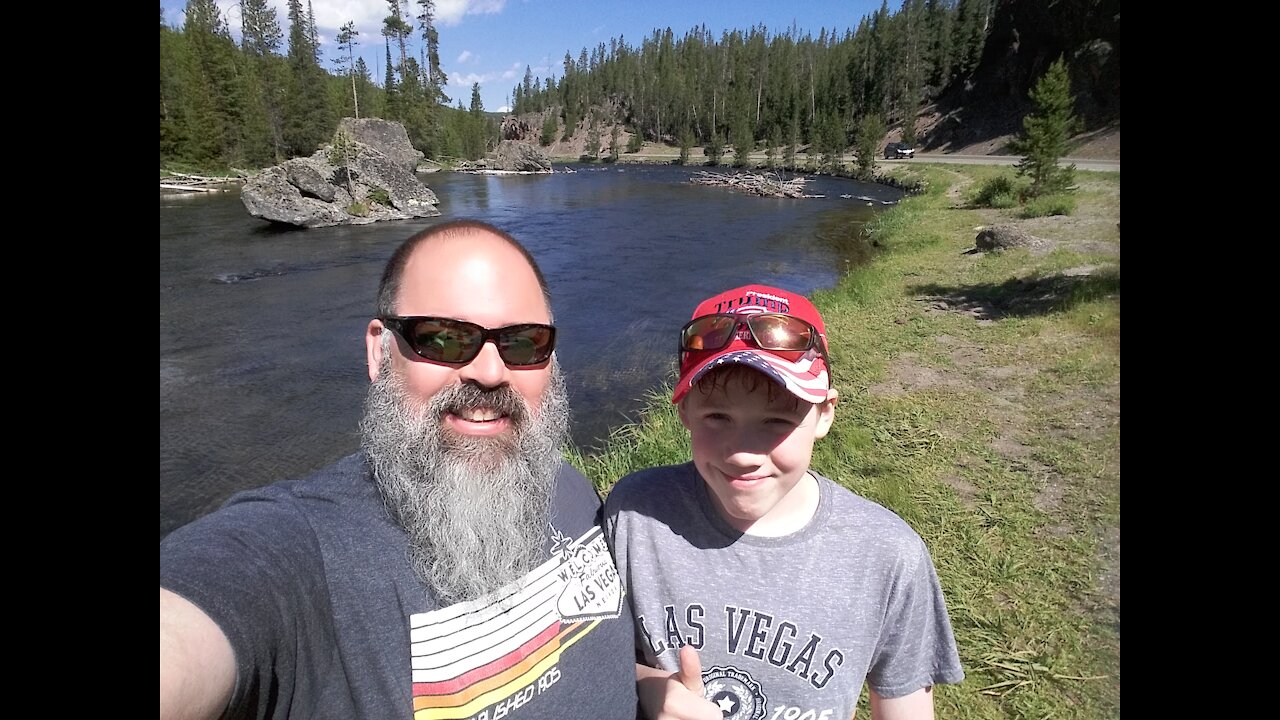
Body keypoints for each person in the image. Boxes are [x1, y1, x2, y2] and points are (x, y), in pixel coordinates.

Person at [160, 220, 639, 720]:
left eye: (522, 343)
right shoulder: (294, 550)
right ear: (378, 350)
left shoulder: (566, 483)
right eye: (444, 339)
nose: (490, 372)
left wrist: (650, 687)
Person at [603, 284, 964, 720]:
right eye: (717, 417)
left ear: (824, 414)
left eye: (776, 420)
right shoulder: (634, 515)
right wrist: (647, 686)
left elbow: (905, 706)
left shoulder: (887, 556)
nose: (742, 453)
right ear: (683, 410)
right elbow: (587, 661)